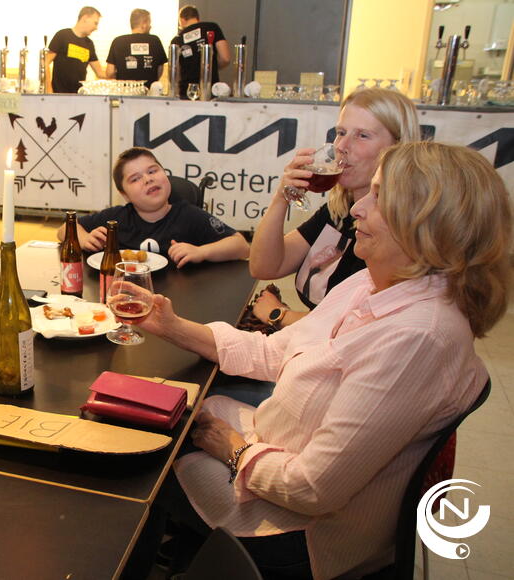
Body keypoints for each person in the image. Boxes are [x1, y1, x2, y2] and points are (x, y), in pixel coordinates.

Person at [130, 141, 511, 579]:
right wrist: (171, 326)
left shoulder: (417, 338)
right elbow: (275, 352)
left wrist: (233, 448)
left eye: (379, 197)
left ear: (429, 226)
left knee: (147, 461)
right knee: (166, 413)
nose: (358, 208)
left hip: (302, 533)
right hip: (275, 449)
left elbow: (312, 489)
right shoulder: (371, 282)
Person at [248, 88, 421, 330]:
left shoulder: (395, 230)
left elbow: (361, 327)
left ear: (397, 148)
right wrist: (282, 196)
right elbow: (264, 266)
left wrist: (279, 314)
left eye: (362, 135)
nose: (342, 146)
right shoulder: (340, 209)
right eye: (340, 133)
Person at [57, 147, 248, 268]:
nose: (148, 179)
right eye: (135, 179)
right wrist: (83, 238)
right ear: (124, 194)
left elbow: (241, 246)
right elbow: (64, 228)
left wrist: (201, 252)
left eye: (152, 171)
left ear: (165, 173)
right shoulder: (116, 218)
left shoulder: (190, 215)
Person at [170, 5, 230, 99]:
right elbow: (225, 58)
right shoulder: (211, 27)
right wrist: (211, 67)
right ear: (197, 18)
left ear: (182, 20)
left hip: (186, 92)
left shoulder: (177, 39)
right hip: (210, 89)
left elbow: (175, 70)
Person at [46, 6, 107, 94]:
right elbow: (45, 63)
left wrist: (117, 69)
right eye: (95, 23)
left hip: (79, 96)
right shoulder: (62, 35)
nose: (96, 28)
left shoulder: (89, 44)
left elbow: (100, 73)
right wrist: (49, 90)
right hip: (59, 95)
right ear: (85, 18)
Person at [106, 9, 167, 89]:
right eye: (149, 23)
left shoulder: (118, 41)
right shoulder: (155, 41)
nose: (150, 26)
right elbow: (159, 70)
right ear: (144, 24)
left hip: (124, 92)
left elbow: (110, 72)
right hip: (149, 91)